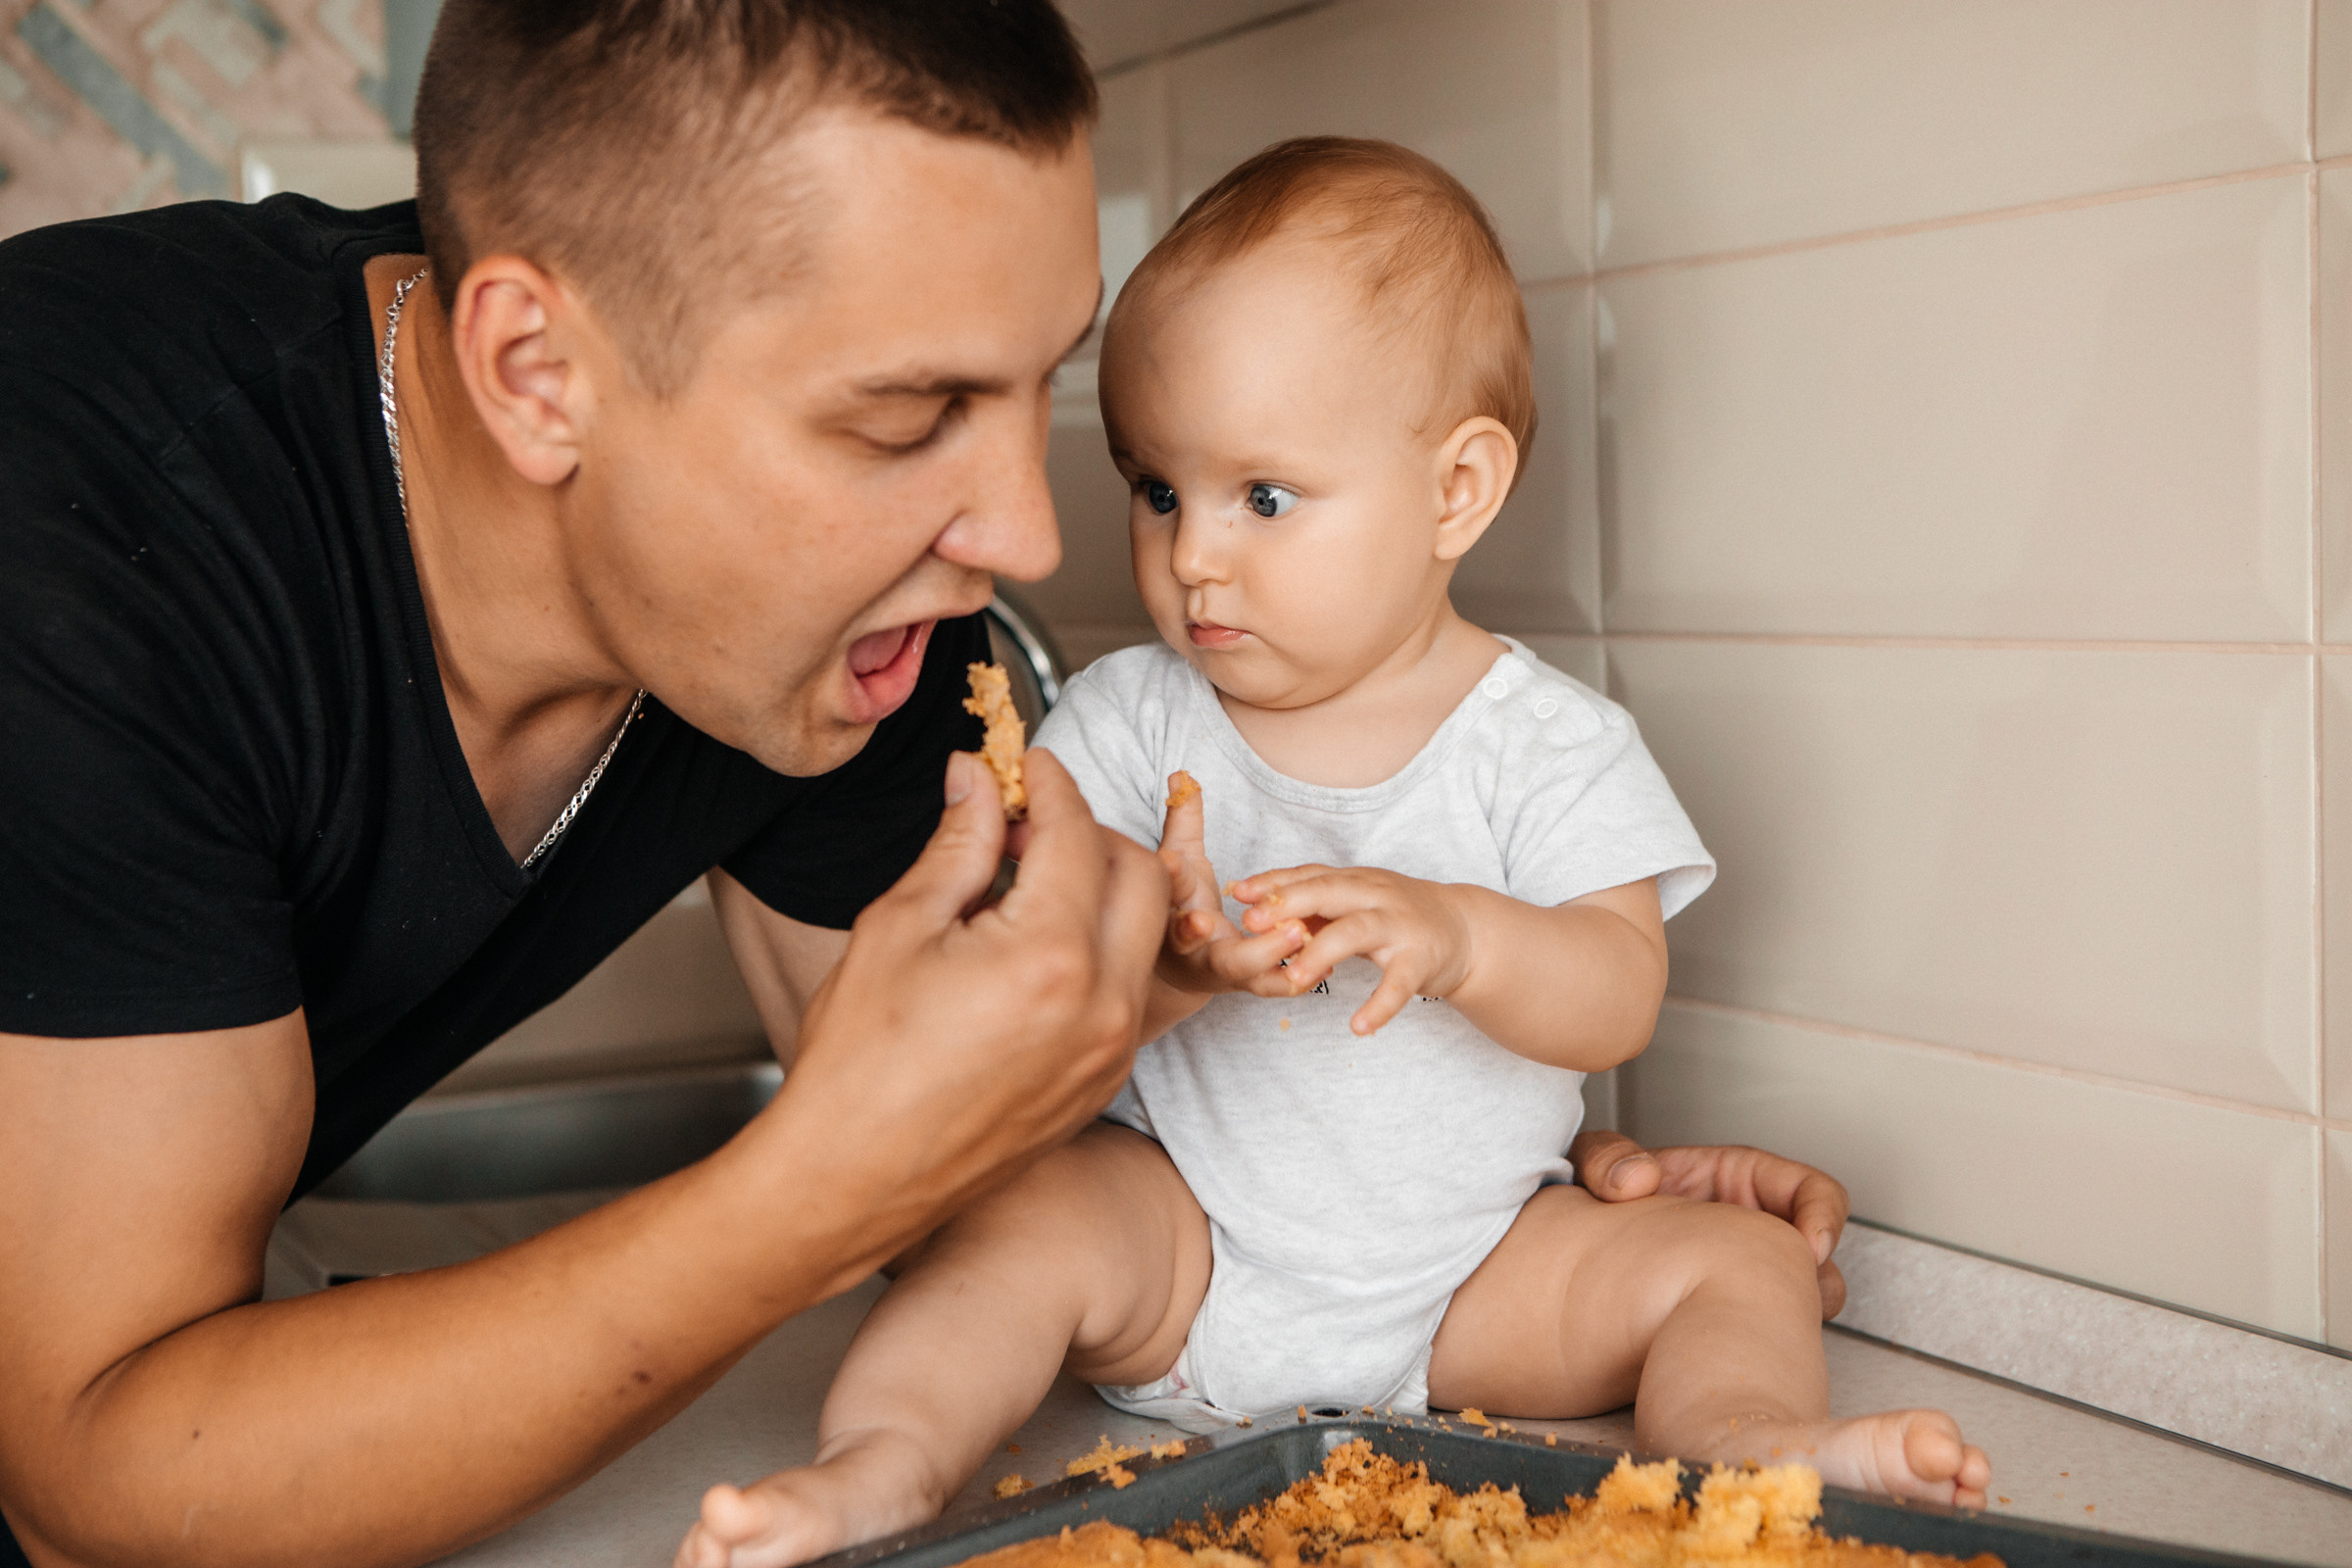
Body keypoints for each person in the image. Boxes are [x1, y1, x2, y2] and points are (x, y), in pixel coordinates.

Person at [0, 1, 1861, 1559]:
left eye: (1034, 395)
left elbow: (983, 1147)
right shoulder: (83, 543)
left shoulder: (859, 643)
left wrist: (1512, 1168)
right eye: (904, 420)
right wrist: (807, 1190)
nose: (1021, 534)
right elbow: (96, 1474)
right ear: (538, 373)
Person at [675, 138, 1989, 1568]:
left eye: (1264, 499)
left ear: (1456, 494)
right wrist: (1159, 951)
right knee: (1020, 1222)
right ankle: (882, 1465)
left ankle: (1745, 1447)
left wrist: (1465, 939)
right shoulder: (1125, 720)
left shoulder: (1548, 744)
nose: (1192, 558)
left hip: (1475, 1283)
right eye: (1159, 489)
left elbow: (1619, 989)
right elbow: (1020, 976)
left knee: (1736, 1260)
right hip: (1176, 1256)